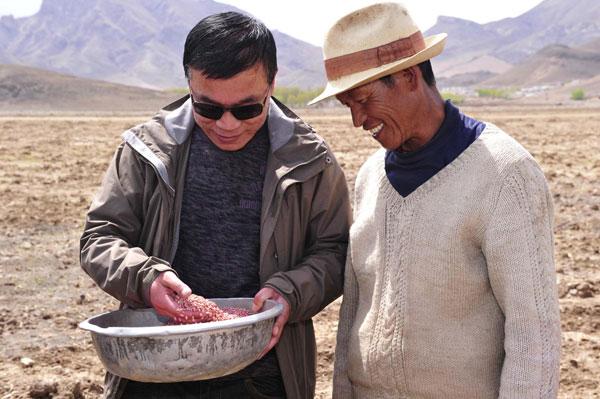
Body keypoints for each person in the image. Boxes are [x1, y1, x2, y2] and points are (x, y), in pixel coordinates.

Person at [80, 11, 351, 399]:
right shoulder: (146, 150)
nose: (227, 124)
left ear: (272, 84)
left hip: (259, 370)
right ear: (189, 82)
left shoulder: (309, 160)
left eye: (246, 109)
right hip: (155, 365)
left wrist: (289, 292)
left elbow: (335, 251)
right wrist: (147, 278)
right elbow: (100, 238)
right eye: (207, 108)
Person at [309, 2, 561, 398]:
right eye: (348, 106)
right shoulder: (370, 176)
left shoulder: (505, 175)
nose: (357, 120)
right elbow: (353, 313)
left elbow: (535, 337)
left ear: (409, 77)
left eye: (363, 100)